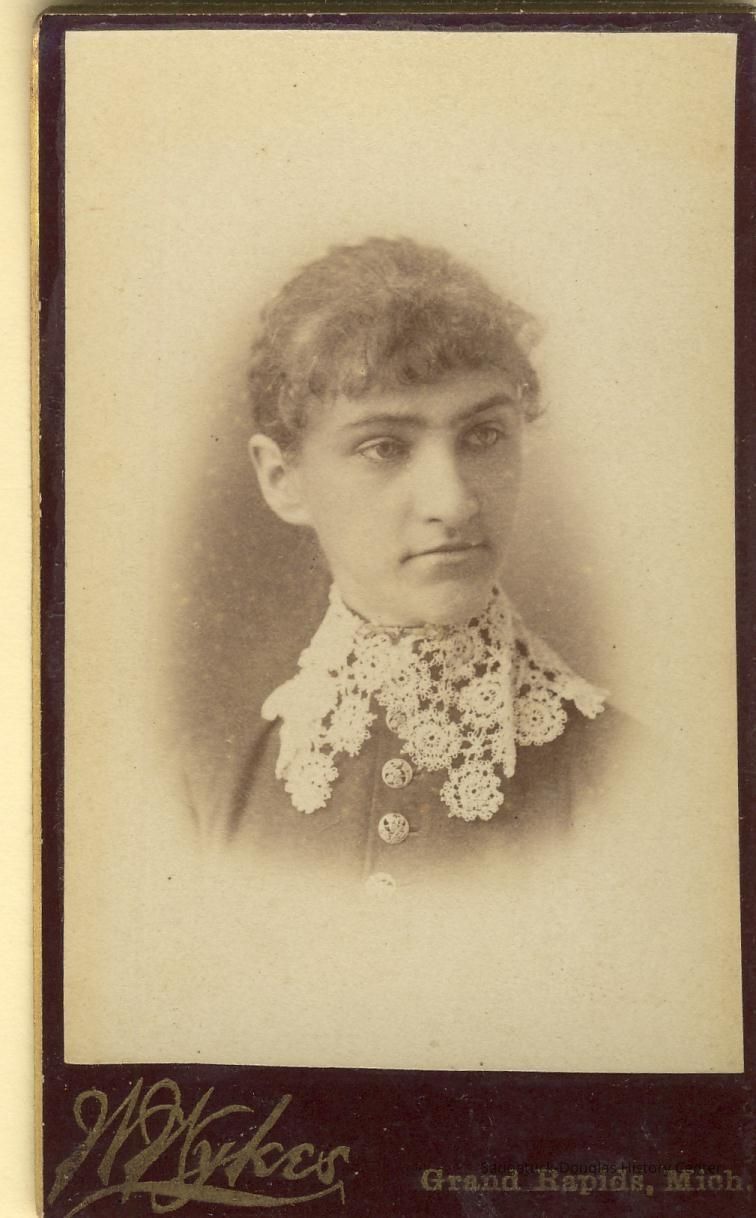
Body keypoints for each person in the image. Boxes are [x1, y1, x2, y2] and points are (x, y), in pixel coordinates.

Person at [184, 236, 626, 891]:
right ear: (282, 479)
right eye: (384, 447)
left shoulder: (631, 783)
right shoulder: (206, 794)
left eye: (483, 435)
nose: (453, 502)